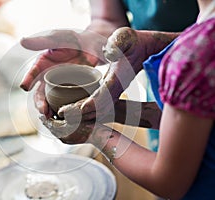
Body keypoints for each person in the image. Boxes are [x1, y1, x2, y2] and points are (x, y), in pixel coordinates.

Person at [22, 0, 215, 199]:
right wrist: (156, 43)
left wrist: (94, 133)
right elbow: (199, 115)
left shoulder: (193, 59)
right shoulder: (199, 46)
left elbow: (169, 181)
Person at [20, 0, 198, 152]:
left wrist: (153, 45)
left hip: (202, 87)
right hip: (162, 91)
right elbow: (107, 19)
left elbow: (167, 181)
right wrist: (89, 43)